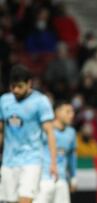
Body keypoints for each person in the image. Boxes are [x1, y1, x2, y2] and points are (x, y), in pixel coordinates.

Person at [0, 65, 58, 203]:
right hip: (8, 161)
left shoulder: (40, 101)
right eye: (13, 86)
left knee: (25, 200)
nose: (16, 90)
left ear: (29, 83)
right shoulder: (4, 100)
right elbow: (1, 130)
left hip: (31, 160)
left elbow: (50, 132)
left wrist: (53, 163)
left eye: (19, 86)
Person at [35, 101, 77, 203]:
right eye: (68, 112)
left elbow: (72, 156)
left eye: (72, 112)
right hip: (43, 179)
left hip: (62, 180)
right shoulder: (43, 130)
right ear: (57, 113)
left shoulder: (71, 133)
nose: (71, 115)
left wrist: (73, 177)